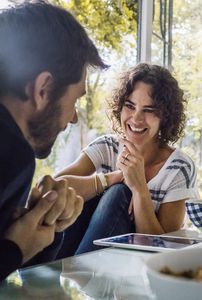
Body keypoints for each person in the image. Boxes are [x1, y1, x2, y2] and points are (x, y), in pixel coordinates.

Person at [0, 1, 106, 281]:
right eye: (75, 100)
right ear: (43, 89)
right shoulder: (12, 153)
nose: (72, 118)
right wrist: (15, 248)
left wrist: (41, 230)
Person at [56, 63, 199, 257]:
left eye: (149, 110)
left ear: (164, 117)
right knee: (93, 193)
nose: (136, 118)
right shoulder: (107, 147)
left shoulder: (178, 167)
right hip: (77, 251)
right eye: (130, 106)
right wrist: (115, 177)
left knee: (118, 194)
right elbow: (52, 189)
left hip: (136, 266)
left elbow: (162, 249)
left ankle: (77, 277)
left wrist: (139, 188)